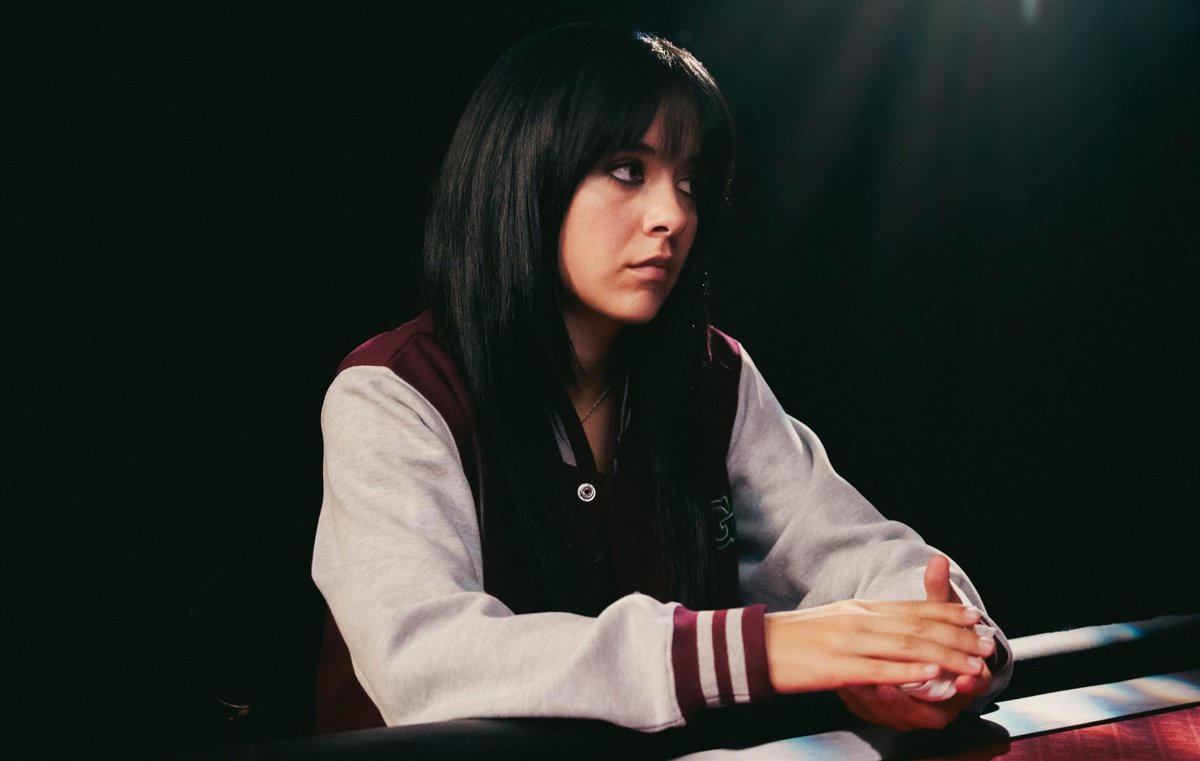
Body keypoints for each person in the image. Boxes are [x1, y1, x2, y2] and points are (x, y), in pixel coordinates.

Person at [311, 23, 1011, 735]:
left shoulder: (713, 376)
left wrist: (941, 653)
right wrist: (763, 649)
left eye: (691, 183)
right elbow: (424, 661)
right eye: (627, 170)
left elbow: (855, 553)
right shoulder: (393, 391)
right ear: (525, 171)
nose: (672, 216)